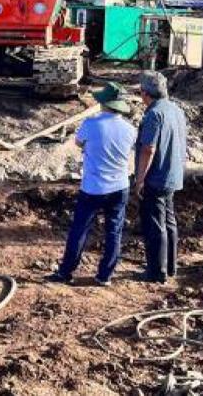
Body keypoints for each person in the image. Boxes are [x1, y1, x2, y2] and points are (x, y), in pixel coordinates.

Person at [46, 82, 136, 287]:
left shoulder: (91, 124)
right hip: (119, 187)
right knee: (114, 232)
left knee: (79, 230)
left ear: (104, 103)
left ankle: (66, 272)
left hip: (93, 187)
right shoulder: (130, 130)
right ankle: (105, 276)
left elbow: (79, 143)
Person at [133, 70, 188, 283]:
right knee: (169, 221)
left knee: (156, 225)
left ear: (145, 93)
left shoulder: (154, 114)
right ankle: (171, 267)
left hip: (156, 178)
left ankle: (157, 272)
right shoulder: (176, 110)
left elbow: (148, 149)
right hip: (173, 175)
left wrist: (139, 180)